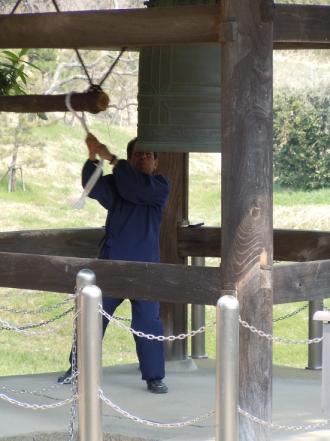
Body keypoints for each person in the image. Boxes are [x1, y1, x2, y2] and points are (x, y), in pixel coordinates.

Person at [58, 133, 170, 394]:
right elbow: (92, 186)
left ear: (155, 162)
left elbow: (136, 189)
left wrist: (112, 158)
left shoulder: (160, 185)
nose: (143, 158)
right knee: (92, 317)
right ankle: (77, 367)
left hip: (144, 268)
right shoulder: (120, 182)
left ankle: (154, 376)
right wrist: (92, 155)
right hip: (111, 263)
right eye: (137, 154)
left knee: (147, 323)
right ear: (131, 159)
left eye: (148, 155)